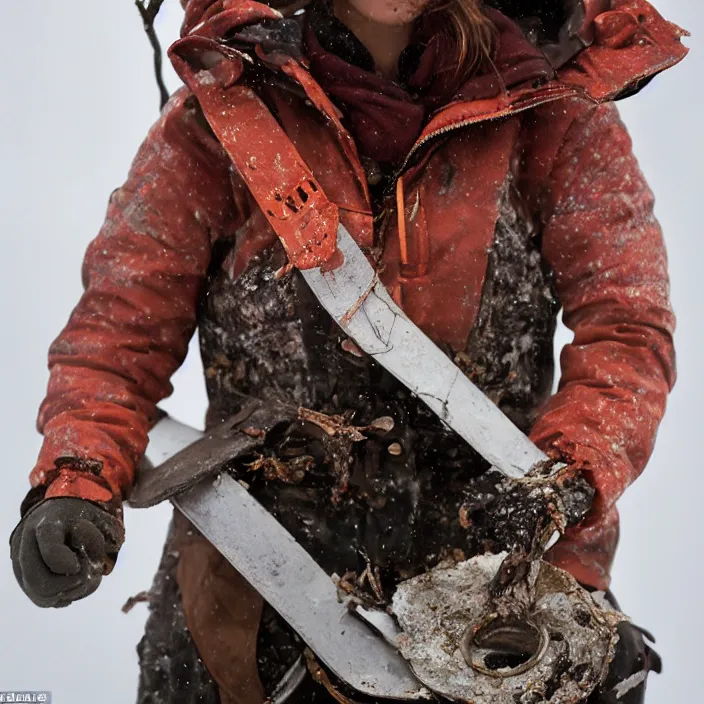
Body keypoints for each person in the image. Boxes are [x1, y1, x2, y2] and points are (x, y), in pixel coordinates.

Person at [10, 0, 687, 701]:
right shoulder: (215, 124)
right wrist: (75, 483)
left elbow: (627, 329)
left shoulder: (556, 111)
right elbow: (117, 339)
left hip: (509, 606)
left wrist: (562, 481)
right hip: (251, 603)